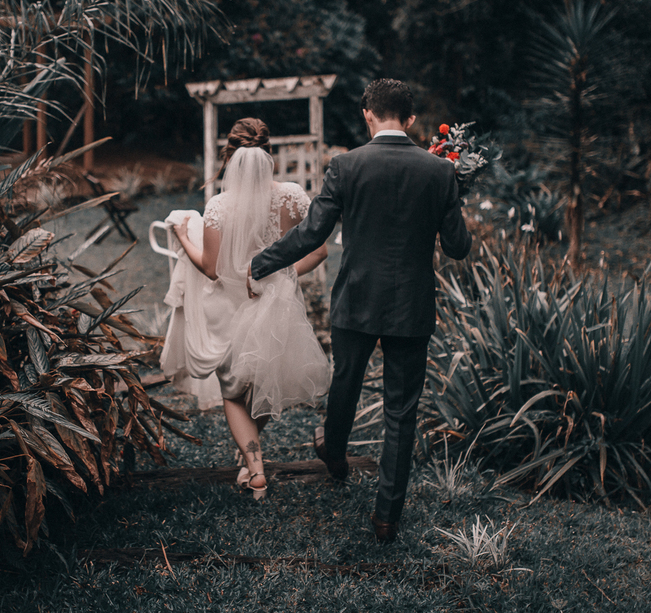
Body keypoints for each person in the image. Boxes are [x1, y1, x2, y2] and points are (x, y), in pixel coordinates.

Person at [248, 79, 472, 541]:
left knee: (345, 385)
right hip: (411, 305)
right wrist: (453, 195)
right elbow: (457, 246)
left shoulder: (346, 165)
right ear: (411, 119)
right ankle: (387, 517)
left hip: (357, 299)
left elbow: (312, 234)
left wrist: (260, 262)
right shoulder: (439, 172)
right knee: (401, 412)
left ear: (368, 114)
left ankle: (333, 452)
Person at [162, 117, 330, 499]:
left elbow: (210, 268)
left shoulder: (219, 206)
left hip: (231, 309)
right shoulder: (293, 196)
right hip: (278, 304)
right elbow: (318, 250)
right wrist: (283, 276)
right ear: (269, 154)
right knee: (269, 377)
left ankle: (255, 470)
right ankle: (250, 462)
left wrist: (182, 235)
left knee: (235, 393)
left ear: (229, 157)